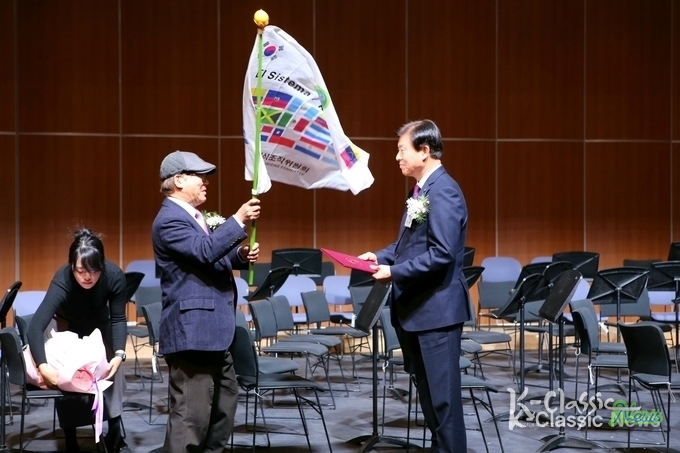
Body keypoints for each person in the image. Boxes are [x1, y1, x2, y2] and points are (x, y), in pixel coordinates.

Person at [358, 120, 470, 453]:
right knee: (430, 398)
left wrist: (394, 272)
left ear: (424, 150)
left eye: (401, 150)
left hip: (437, 313)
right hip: (418, 312)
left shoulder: (444, 190)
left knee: (444, 403)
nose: (397, 157)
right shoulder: (420, 191)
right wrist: (379, 257)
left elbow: (442, 254)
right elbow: (407, 244)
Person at [151, 150, 261, 453]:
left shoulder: (192, 216)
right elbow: (203, 251)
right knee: (191, 418)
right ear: (178, 180)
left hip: (213, 332)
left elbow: (206, 256)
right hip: (193, 333)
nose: (206, 182)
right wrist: (238, 220)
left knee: (223, 408)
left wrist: (238, 256)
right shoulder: (169, 219)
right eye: (199, 176)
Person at [27, 228, 130, 453]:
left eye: (94, 271)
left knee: (111, 367)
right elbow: (35, 326)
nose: (87, 277)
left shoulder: (114, 276)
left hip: (100, 325)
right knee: (66, 373)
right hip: (67, 326)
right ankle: (71, 438)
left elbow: (119, 319)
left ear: (102, 266)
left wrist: (119, 354)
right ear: (72, 266)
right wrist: (44, 367)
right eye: (80, 271)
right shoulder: (63, 279)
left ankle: (114, 431)